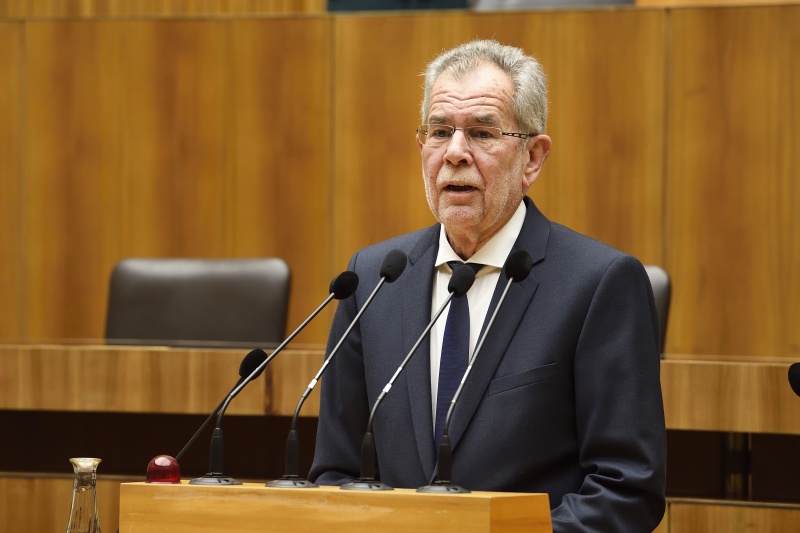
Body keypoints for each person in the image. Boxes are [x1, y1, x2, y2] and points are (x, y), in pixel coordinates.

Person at [309, 39, 666, 532]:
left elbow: (627, 490)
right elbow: (335, 473)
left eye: (481, 133)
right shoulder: (373, 279)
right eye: (439, 132)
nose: (455, 153)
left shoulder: (599, 283)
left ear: (533, 158)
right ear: (422, 148)